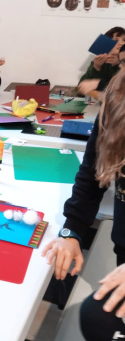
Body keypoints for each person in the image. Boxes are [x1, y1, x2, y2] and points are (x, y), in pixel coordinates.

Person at [42, 62, 125, 340]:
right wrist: (72, 230)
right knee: (96, 317)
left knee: (96, 317)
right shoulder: (116, 103)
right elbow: (91, 175)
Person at [78, 26, 125, 100]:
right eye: (116, 40)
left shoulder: (121, 64)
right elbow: (82, 87)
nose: (122, 43)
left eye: (124, 40)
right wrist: (96, 68)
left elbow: (119, 90)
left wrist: (118, 64)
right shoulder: (100, 62)